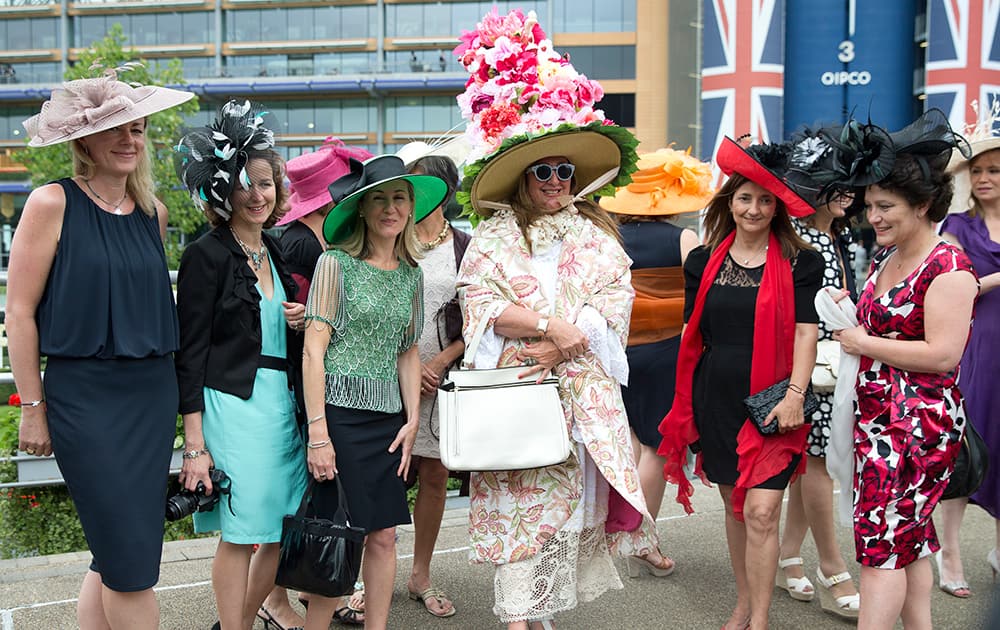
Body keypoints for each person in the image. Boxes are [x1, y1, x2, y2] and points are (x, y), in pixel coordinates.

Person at [454, 10, 670, 628]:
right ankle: (519, 618)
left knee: (566, 512)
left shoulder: (598, 238)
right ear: (524, 178)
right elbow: (481, 305)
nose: (554, 180)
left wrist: (573, 341)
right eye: (543, 171)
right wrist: (551, 331)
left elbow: (614, 301)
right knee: (520, 504)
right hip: (517, 393)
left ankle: (539, 613)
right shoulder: (493, 236)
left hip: (580, 399)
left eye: (564, 171)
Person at [8, 71, 192, 629]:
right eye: (115, 129)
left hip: (151, 399)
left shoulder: (152, 214)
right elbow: (19, 312)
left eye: (137, 131)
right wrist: (32, 407)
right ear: (82, 139)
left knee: (116, 551)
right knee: (132, 565)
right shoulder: (50, 202)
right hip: (84, 402)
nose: (129, 141)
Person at [793, 109, 977, 629]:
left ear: (923, 205)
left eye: (886, 205)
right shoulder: (884, 258)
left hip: (916, 426)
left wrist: (861, 340)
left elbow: (943, 355)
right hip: (877, 419)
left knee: (879, 549)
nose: (873, 215)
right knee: (908, 541)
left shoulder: (948, 268)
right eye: (870, 205)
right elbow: (883, 326)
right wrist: (845, 309)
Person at [658, 137, 823, 630]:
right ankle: (745, 603)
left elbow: (805, 332)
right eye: (745, 197)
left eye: (765, 199)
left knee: (763, 510)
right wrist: (683, 401)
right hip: (717, 396)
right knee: (737, 507)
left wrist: (796, 394)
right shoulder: (702, 261)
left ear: (778, 208)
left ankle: (762, 618)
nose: (754, 208)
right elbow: (692, 333)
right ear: (729, 202)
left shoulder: (800, 262)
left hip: (775, 399)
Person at [173, 100, 309, 630]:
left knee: (280, 529)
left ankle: (244, 621)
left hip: (281, 406)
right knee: (240, 531)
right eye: (244, 184)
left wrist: (295, 320)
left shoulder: (275, 251)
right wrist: (196, 444)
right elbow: (190, 352)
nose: (257, 194)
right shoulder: (204, 255)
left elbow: (270, 328)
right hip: (231, 406)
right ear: (221, 192)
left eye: (266, 183)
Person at [301, 155, 447, 630]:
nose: (391, 208)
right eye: (379, 199)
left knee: (384, 536)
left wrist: (410, 421)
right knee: (338, 538)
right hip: (338, 419)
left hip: (387, 423)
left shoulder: (412, 275)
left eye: (399, 199)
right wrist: (318, 434)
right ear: (362, 210)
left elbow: (407, 352)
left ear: (410, 209)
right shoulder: (335, 263)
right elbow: (313, 351)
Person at [260, 137, 374, 630]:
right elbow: (307, 324)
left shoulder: (298, 238)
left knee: (305, 496)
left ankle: (304, 589)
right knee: (304, 496)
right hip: (302, 380)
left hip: (297, 377)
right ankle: (283, 596)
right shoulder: (306, 245)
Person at [598, 147, 708, 545]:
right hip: (666, 352)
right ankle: (641, 537)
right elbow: (700, 303)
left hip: (615, 351)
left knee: (626, 444)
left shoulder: (606, 238)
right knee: (656, 449)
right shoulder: (685, 238)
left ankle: (620, 531)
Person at [774, 185, 861, 618]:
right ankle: (832, 565)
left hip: (833, 365)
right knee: (817, 463)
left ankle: (788, 554)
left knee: (813, 464)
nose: (846, 194)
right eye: (835, 186)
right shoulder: (804, 237)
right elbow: (800, 310)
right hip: (809, 367)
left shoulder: (837, 236)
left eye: (851, 186)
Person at [395, 144, 469, 619]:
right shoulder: (389, 235)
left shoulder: (466, 247)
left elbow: (481, 320)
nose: (410, 195)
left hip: (440, 380)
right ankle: (368, 575)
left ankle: (420, 573)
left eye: (422, 184)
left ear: (442, 191)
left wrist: (441, 360)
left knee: (434, 475)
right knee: (383, 477)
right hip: (387, 378)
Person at [935, 124, 1000, 598]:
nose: (984, 178)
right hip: (976, 346)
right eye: (977, 170)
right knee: (966, 449)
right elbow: (955, 288)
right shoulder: (957, 227)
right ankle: (949, 551)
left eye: (994, 170)